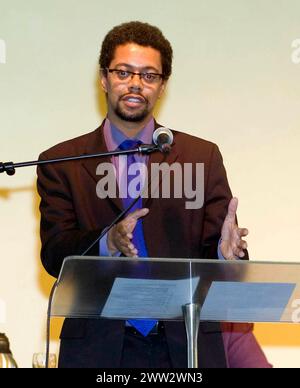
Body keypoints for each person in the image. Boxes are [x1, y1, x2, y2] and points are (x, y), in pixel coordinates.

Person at [37, 21, 271, 368]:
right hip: (99, 348)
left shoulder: (200, 157)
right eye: (124, 72)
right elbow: (55, 255)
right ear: (103, 77)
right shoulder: (62, 162)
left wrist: (227, 256)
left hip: (186, 345)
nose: (135, 84)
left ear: (162, 86)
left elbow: (218, 253)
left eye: (149, 75)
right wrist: (107, 242)